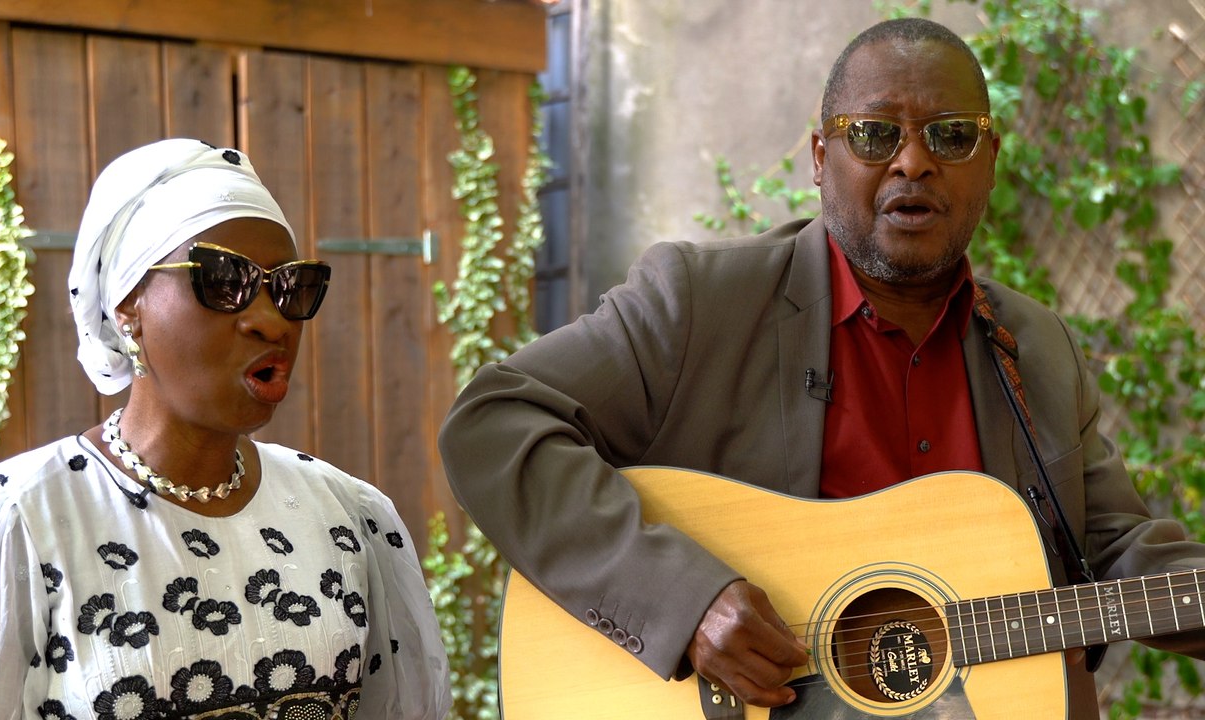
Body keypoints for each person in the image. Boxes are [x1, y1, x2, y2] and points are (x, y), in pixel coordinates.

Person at [438, 17, 1205, 719]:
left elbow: (1117, 550)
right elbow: (494, 420)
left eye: (951, 136)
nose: (914, 161)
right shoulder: (700, 305)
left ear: (992, 160)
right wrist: (684, 601)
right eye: (874, 133)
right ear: (818, 157)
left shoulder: (1039, 350)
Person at [0, 139, 450, 719]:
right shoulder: (17, 522)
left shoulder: (349, 516)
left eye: (290, 286)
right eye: (223, 280)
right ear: (129, 307)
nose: (271, 321)